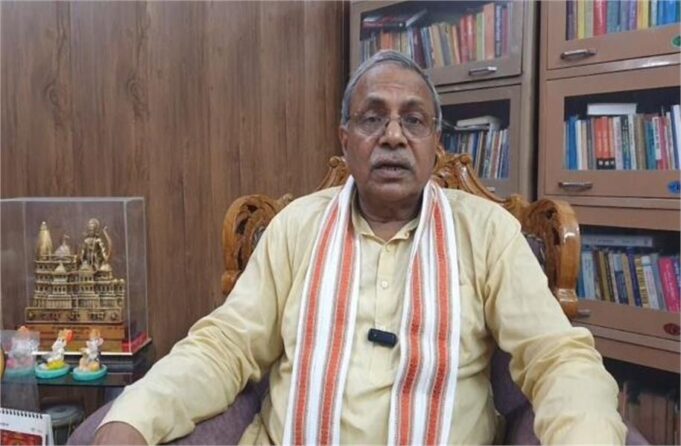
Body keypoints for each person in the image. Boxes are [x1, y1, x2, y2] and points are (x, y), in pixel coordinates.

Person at [94, 50, 626, 444]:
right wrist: (133, 419)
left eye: (413, 120)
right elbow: (223, 347)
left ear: (435, 143)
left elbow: (557, 357)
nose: (393, 135)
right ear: (345, 140)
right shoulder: (296, 228)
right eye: (372, 118)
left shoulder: (487, 232)